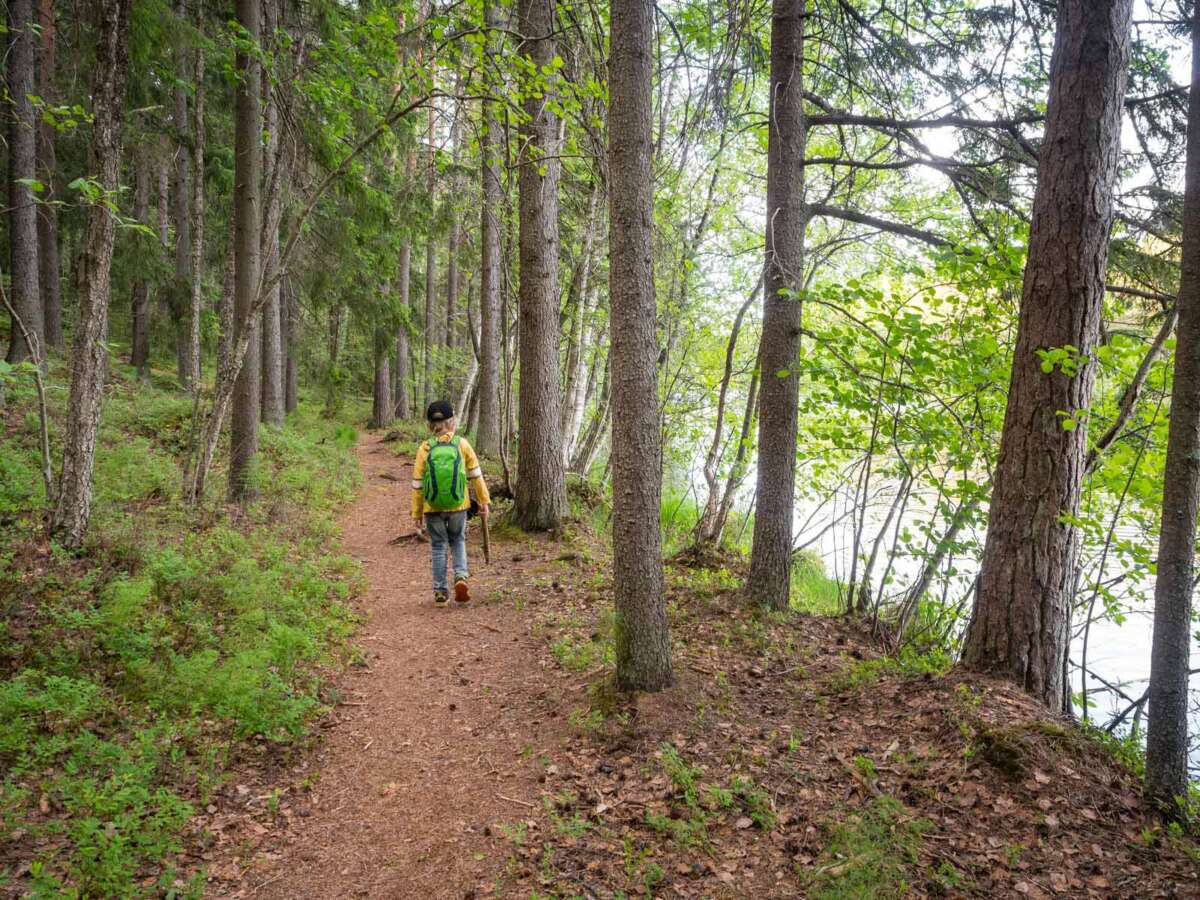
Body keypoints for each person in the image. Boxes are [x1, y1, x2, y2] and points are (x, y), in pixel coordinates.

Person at [411, 400, 490, 606]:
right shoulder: (462, 444)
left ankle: (440, 592)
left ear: (430, 425)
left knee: (438, 546)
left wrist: (416, 514)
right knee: (458, 540)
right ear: (452, 422)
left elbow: (418, 485)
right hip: (459, 506)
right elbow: (476, 475)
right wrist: (484, 501)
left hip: (432, 507)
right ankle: (461, 577)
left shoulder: (425, 448)